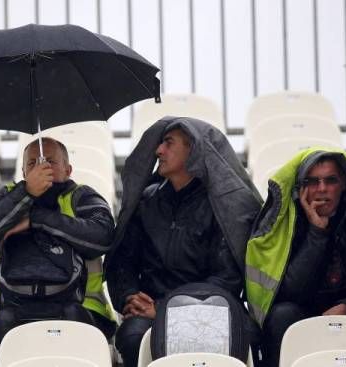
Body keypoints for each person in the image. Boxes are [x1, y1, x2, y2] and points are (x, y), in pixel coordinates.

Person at [105, 117, 262, 367]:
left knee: (249, 336)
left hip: (211, 309)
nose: (158, 151)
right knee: (133, 335)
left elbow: (226, 279)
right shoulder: (146, 202)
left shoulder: (222, 208)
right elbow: (124, 261)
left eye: (168, 143)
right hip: (150, 309)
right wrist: (130, 297)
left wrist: (168, 310)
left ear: (194, 150)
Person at [245, 148, 346, 367]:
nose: (322, 189)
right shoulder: (288, 221)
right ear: (301, 187)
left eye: (330, 180)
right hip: (310, 310)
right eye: (313, 181)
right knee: (280, 315)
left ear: (344, 183)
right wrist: (317, 233)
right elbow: (290, 291)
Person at [0, 137, 116, 367]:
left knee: (77, 322)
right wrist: (25, 194)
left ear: (68, 169)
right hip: (9, 308)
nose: (41, 167)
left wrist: (37, 219)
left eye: (50, 161)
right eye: (33, 162)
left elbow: (103, 236)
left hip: (81, 306)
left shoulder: (82, 196)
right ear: (24, 172)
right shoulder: (6, 197)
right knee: (4, 326)